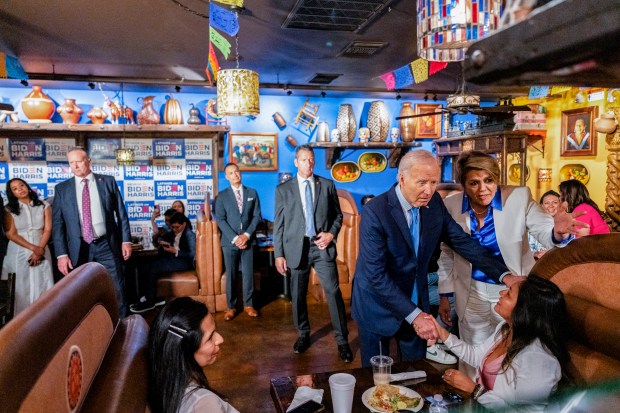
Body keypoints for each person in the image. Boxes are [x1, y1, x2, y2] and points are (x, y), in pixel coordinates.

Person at [351, 149, 512, 368]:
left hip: (417, 300)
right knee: (376, 378)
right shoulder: (375, 212)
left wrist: (505, 276)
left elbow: (461, 241)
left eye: (434, 182)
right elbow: (376, 275)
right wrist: (415, 315)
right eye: (422, 183)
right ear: (402, 179)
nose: (429, 190)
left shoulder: (434, 203)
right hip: (377, 305)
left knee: (417, 371)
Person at [437, 151, 584, 377]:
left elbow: (544, 232)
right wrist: (445, 294)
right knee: (471, 353)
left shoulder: (519, 197)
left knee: (511, 352)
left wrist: (558, 232)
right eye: (474, 183)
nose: (482, 189)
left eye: (489, 180)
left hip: (511, 291)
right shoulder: (452, 204)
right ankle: (469, 399)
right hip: (470, 290)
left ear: (497, 178)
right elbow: (448, 251)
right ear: (463, 185)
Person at [437, 275, 569, 412]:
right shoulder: (505, 329)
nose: (501, 293)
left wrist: (474, 390)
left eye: (509, 293)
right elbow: (477, 356)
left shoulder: (538, 359)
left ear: (524, 310)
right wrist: (441, 333)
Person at [274, 144, 352, 362]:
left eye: (311, 160)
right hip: (296, 249)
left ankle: (342, 341)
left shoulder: (326, 184)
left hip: (322, 247)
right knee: (298, 296)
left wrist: (330, 234)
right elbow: (279, 224)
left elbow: (337, 216)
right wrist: (279, 254)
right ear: (296, 162)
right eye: (304, 160)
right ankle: (303, 334)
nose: (308, 164)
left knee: (333, 292)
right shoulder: (283, 189)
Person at [52, 147, 133, 316]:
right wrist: (61, 254)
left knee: (117, 286)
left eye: (79, 161)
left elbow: (121, 213)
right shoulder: (62, 189)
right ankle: (89, 328)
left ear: (89, 161)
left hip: (107, 245)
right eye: (71, 163)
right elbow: (58, 224)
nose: (75, 166)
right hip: (78, 248)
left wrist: (126, 240)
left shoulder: (108, 181)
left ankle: (125, 327)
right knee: (81, 291)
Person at [149, 297, 239, 413]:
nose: (220, 339)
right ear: (184, 350)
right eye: (210, 338)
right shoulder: (204, 404)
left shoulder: (166, 386)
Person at [215, 163, 262, 320]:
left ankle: (249, 305)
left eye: (236, 171)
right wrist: (236, 238)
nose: (235, 174)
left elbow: (257, 216)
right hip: (230, 242)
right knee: (231, 274)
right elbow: (220, 220)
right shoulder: (221, 196)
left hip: (248, 240)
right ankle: (231, 307)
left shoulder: (252, 193)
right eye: (231, 173)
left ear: (240, 173)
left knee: (248, 273)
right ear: (227, 177)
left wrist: (246, 235)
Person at [1, 178, 54, 315]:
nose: (20, 189)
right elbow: (11, 234)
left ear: (27, 186)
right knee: (21, 285)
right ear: (12, 193)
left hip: (42, 248)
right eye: (15, 189)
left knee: (43, 283)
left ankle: (45, 319)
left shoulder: (44, 205)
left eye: (21, 185)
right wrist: (33, 248)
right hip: (19, 251)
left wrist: (39, 249)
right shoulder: (8, 209)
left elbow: (47, 229)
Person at [131, 212, 196, 313]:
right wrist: (163, 241)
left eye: (177, 227)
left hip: (185, 262)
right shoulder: (174, 232)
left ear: (184, 224)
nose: (174, 229)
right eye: (173, 227)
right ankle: (148, 297)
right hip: (175, 259)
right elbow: (163, 237)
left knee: (154, 267)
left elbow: (192, 254)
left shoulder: (189, 235)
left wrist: (176, 251)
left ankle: (150, 302)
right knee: (146, 265)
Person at [529, 190, 561, 259]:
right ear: (541, 206)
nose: (551, 206)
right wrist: (536, 254)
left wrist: (551, 253)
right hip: (537, 264)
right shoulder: (533, 225)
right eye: (547, 203)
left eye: (555, 202)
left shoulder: (566, 224)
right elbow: (527, 249)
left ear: (560, 205)